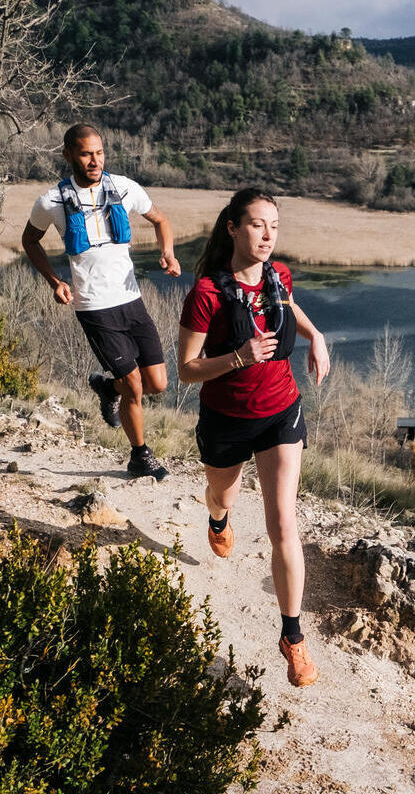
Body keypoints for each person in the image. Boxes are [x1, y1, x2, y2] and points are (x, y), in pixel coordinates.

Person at [176, 188, 332, 687]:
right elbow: (186, 370)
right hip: (225, 418)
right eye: (257, 225)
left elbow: (289, 303)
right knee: (223, 491)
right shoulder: (206, 294)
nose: (267, 236)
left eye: (274, 227)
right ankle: (218, 518)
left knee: (284, 524)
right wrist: (239, 358)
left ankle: (292, 635)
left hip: (280, 412)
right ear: (233, 228)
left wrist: (315, 335)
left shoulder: (278, 275)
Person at [22, 126, 182, 480]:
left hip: (131, 300)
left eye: (99, 153)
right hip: (94, 306)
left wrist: (167, 253)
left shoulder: (123, 187)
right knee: (136, 385)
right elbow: (30, 241)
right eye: (85, 154)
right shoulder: (51, 201)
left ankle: (107, 387)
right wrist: (54, 281)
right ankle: (140, 455)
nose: (94, 160)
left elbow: (160, 219)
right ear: (68, 155)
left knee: (157, 384)